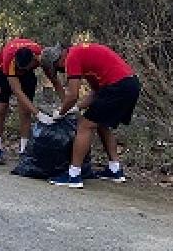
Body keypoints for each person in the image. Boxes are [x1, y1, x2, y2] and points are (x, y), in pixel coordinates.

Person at [40, 43, 141, 189]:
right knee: (101, 123)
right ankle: (115, 170)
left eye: (58, 69)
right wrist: (75, 108)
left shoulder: (71, 58)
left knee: (84, 126)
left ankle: (73, 175)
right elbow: (95, 93)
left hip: (118, 87)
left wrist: (60, 113)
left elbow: (72, 95)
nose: (62, 71)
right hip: (130, 85)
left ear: (57, 60)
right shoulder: (81, 55)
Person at [0, 38, 67, 165]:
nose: (20, 72)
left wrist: (68, 105)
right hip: (2, 72)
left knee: (25, 111)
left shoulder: (42, 57)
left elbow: (55, 81)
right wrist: (39, 114)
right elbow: (17, 91)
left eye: (23, 69)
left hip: (28, 75)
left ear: (34, 61)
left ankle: (23, 149)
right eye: (19, 69)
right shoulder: (10, 60)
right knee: (1, 109)